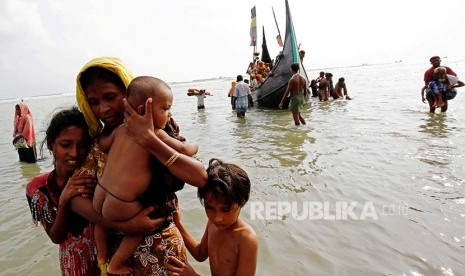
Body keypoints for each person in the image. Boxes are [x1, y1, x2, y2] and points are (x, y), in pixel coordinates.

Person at [72, 57, 208, 275]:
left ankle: (105, 258)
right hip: (121, 253)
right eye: (94, 102)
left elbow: (200, 177)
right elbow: (76, 198)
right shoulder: (98, 141)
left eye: (110, 97)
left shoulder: (161, 127)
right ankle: (105, 258)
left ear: (129, 96)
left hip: (162, 249)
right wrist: (126, 225)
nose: (104, 109)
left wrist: (149, 140)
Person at [26, 107, 98, 275]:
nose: (74, 153)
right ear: (51, 145)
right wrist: (64, 199)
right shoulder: (38, 189)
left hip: (107, 263)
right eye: (66, 145)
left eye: (82, 146)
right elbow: (56, 237)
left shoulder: (96, 179)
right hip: (73, 267)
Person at [166, 158, 258, 276]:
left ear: (243, 202)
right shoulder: (212, 224)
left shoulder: (246, 238)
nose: (217, 217)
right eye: (210, 208)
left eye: (226, 209)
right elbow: (200, 254)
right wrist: (178, 225)